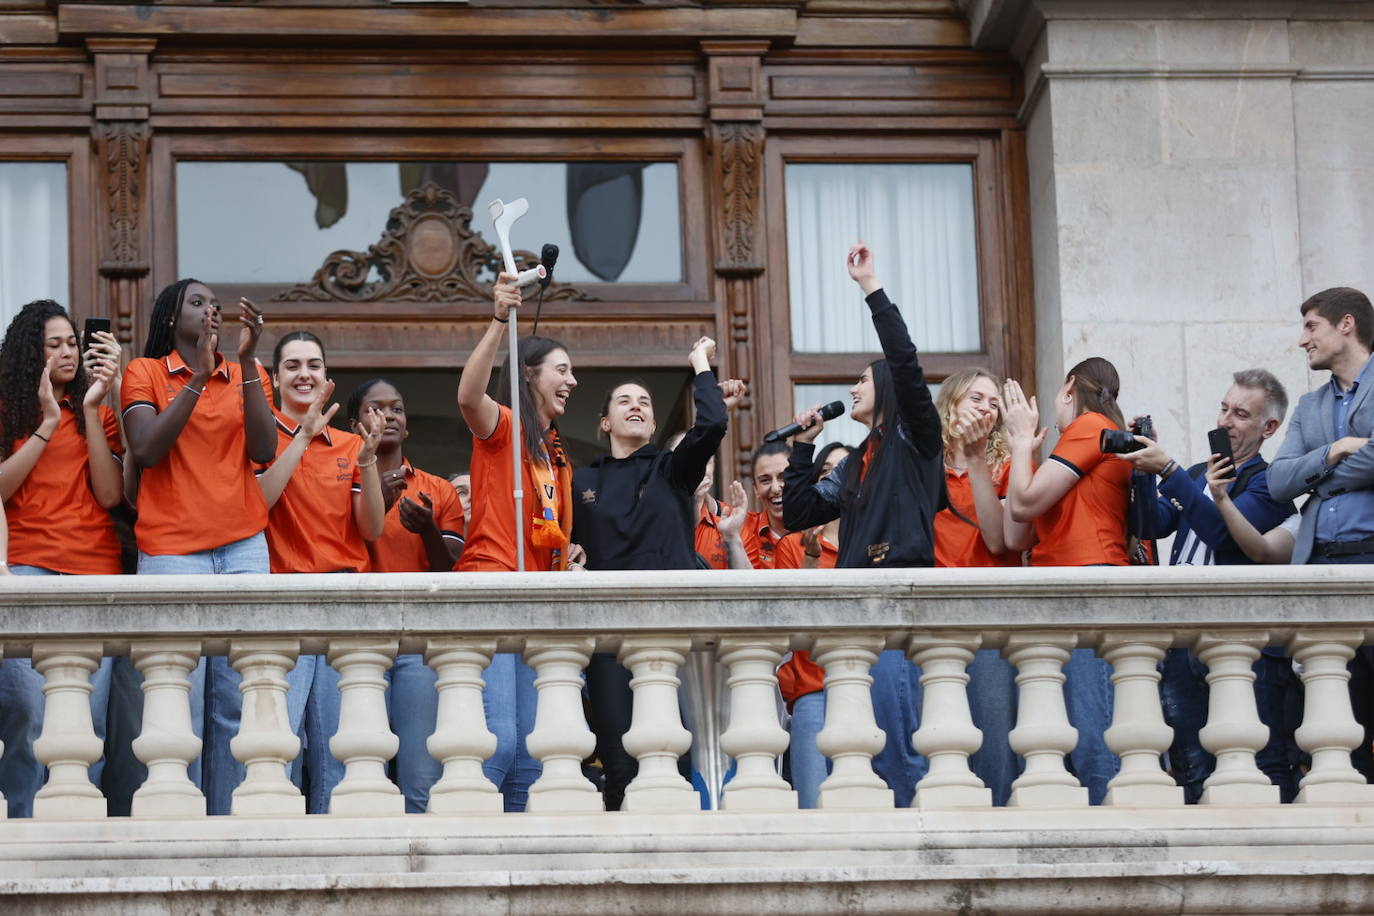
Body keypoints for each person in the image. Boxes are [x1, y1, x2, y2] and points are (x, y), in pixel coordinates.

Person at [781, 242, 943, 807]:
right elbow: (798, 515)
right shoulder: (855, 459)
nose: (852, 389)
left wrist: (870, 288)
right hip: (854, 614)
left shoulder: (914, 439)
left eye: (862, 381)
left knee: (901, 749)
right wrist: (803, 450)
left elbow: (905, 362)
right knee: (864, 754)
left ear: (887, 390)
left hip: (897, 611)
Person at [120, 278, 277, 815]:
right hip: (170, 551)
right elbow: (146, 448)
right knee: (173, 698)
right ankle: (173, 818)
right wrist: (199, 381)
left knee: (239, 701)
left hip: (242, 548)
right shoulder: (144, 373)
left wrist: (249, 364)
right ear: (170, 317)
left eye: (215, 304)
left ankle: (231, 822)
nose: (210, 310)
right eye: (197, 302)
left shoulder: (246, 374)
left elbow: (264, 447)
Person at [572, 338, 740, 809]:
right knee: (620, 762)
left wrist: (700, 363)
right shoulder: (582, 481)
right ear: (605, 421)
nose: (637, 407)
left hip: (669, 629)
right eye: (624, 401)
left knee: (672, 758)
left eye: (644, 402)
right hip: (606, 632)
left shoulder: (672, 468)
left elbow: (712, 423)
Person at [1122, 369, 1299, 801]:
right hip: (1183, 638)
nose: (1225, 422)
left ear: (1268, 427)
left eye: (1241, 414)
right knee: (1190, 762)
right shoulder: (1199, 472)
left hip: (1242, 643)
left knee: (1260, 762)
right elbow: (1152, 525)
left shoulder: (1270, 482)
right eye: (1224, 408)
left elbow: (1225, 537)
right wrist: (1145, 471)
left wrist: (1168, 468)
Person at [455, 272, 581, 811]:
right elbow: (468, 394)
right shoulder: (503, 427)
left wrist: (566, 560)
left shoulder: (555, 453)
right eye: (562, 370)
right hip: (493, 587)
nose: (572, 380)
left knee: (536, 754)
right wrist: (498, 318)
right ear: (530, 376)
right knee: (499, 743)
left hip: (540, 602)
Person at [253, 331, 385, 812]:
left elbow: (371, 528)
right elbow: (258, 503)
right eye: (292, 365)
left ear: (327, 376)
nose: (304, 374)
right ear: (274, 377)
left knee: (340, 745)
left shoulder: (351, 444)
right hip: (282, 603)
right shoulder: (259, 433)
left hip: (345, 602)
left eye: (313, 364)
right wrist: (303, 436)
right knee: (279, 743)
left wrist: (367, 461)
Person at [0, 300, 122, 817]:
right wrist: (48, 421)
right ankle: (24, 824)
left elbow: (111, 494)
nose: (69, 351)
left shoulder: (96, 409)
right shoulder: (9, 408)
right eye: (55, 344)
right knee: (29, 713)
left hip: (96, 569)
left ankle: (79, 826)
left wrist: (91, 409)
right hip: (28, 567)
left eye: (72, 342)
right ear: (33, 352)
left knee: (86, 722)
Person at [1001, 357, 1129, 804]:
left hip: (1087, 580)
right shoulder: (1080, 440)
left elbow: (1024, 504)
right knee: (1066, 726)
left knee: (1092, 724)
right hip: (1062, 583)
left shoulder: (1091, 425)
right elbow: (1016, 533)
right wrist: (1025, 455)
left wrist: (1019, 444)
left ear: (1070, 386)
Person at [1267, 286, 1374, 782]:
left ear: (1345, 324)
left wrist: (1323, 475)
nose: (1301, 340)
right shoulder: (1310, 408)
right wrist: (1333, 453)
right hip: (1322, 568)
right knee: (1334, 712)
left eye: (1311, 326)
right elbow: (1278, 480)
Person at [345, 378, 465, 814]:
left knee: (420, 777)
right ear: (353, 424)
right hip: (356, 639)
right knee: (357, 776)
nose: (389, 416)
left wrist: (428, 527)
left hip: (418, 642)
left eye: (396, 408)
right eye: (375, 409)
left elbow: (451, 568)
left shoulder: (437, 490)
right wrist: (374, 500)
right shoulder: (340, 482)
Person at [933, 367, 1035, 806]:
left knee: (994, 742)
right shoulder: (923, 467)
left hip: (991, 621)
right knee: (937, 750)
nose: (986, 409)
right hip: (933, 625)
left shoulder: (1007, 467)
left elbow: (1001, 542)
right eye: (976, 398)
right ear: (951, 403)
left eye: (994, 403)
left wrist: (988, 458)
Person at [773, 442, 849, 809]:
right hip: (812, 689)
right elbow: (790, 617)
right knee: (813, 803)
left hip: (866, 683)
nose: (836, 475)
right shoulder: (792, 544)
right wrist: (811, 556)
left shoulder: (874, 540)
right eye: (827, 471)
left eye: (845, 468)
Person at [744, 441, 802, 569]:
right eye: (765, 480)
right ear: (755, 489)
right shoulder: (744, 531)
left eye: (783, 477)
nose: (776, 488)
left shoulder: (818, 532)